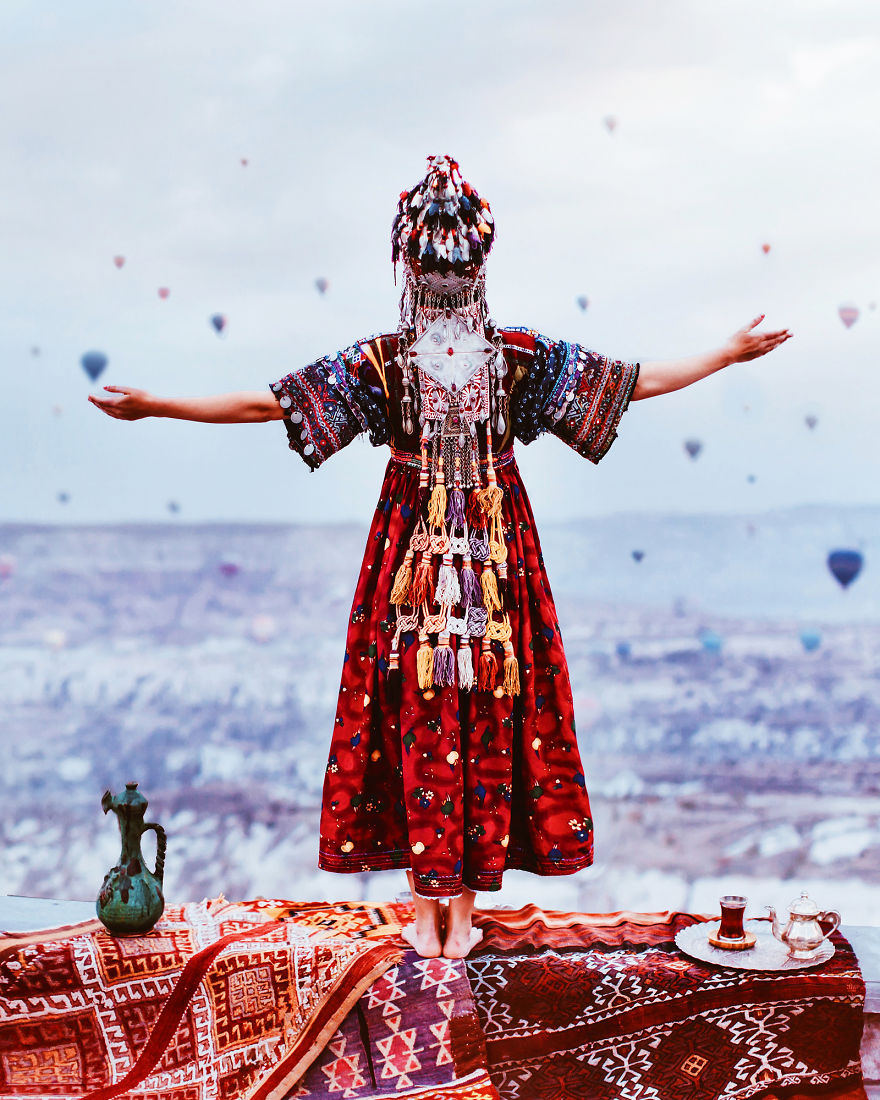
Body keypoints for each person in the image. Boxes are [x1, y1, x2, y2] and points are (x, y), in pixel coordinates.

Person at [89, 154, 791, 959]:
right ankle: (431, 902)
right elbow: (271, 403)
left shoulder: (505, 357)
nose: (448, 277)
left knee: (483, 715)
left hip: (481, 559)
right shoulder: (391, 362)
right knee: (417, 718)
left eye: (452, 263)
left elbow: (625, 383)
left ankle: (462, 904)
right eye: (439, 263)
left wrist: (724, 354)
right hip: (429, 560)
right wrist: (156, 406)